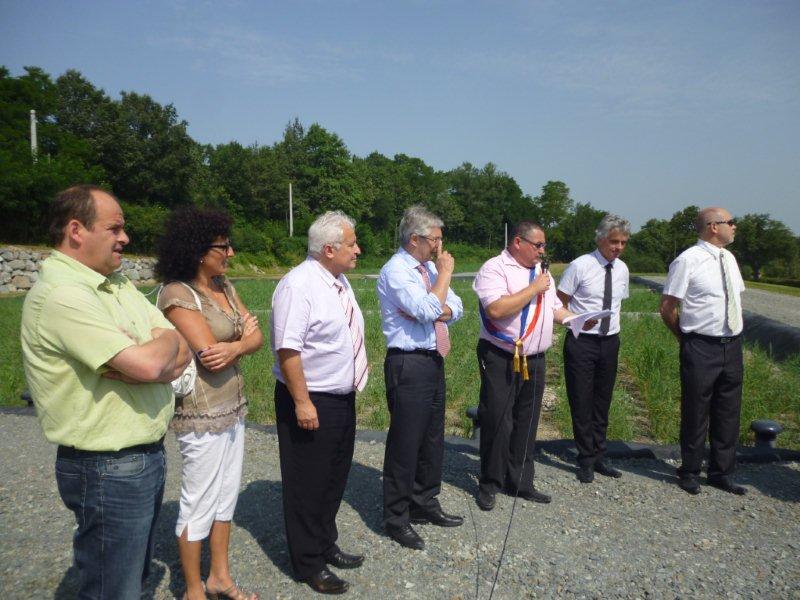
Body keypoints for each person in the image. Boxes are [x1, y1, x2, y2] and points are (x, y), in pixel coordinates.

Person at [20, 185, 192, 600]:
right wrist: (157, 355)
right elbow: (152, 365)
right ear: (76, 230)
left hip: (139, 458)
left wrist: (160, 347)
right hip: (105, 467)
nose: (125, 238)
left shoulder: (114, 284)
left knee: (130, 578)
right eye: (114, 228)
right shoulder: (64, 296)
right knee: (112, 588)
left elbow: (181, 347)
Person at [155, 207, 263, 600]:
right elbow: (208, 354)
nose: (230, 253)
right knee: (197, 500)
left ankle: (219, 576)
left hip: (233, 407)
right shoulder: (177, 294)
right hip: (200, 413)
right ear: (199, 251)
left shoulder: (224, 286)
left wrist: (236, 346)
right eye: (223, 246)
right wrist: (240, 342)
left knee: (225, 496)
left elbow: (256, 338)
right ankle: (192, 589)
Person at [270, 210, 367, 595]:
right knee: (307, 483)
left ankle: (326, 543)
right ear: (329, 249)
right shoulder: (299, 285)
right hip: (311, 399)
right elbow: (288, 350)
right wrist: (302, 402)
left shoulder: (338, 281)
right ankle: (308, 562)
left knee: (333, 477)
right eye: (352, 244)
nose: (358, 250)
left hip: (341, 397)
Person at [473, 222, 578, 511]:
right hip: (501, 356)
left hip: (535, 357)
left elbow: (553, 307)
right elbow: (496, 309)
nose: (542, 251)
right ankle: (490, 483)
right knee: (498, 420)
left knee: (527, 421)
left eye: (544, 246)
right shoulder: (495, 268)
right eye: (538, 245)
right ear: (518, 242)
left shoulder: (542, 273)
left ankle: (520, 481)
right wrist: (533, 288)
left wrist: (575, 320)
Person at [377, 205, 464, 550]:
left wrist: (439, 297)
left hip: (433, 358)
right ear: (415, 239)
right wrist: (444, 277)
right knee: (406, 441)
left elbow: (456, 308)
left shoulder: (428, 269)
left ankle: (424, 501)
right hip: (407, 362)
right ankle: (396, 517)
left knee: (431, 437)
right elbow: (428, 310)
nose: (440, 247)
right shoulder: (396, 271)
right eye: (435, 239)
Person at [660, 207, 747, 496]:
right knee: (696, 411)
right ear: (713, 226)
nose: (734, 226)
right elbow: (667, 307)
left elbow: (733, 299)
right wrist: (685, 339)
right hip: (700, 345)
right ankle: (690, 471)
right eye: (730, 222)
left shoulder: (729, 259)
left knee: (728, 412)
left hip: (731, 345)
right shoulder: (688, 260)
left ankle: (722, 472)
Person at [557, 214, 631, 483]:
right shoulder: (580, 266)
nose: (618, 247)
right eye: (614, 242)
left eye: (623, 243)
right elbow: (559, 301)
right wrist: (576, 319)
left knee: (602, 401)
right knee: (581, 400)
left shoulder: (622, 269)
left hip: (610, 341)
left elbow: (618, 302)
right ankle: (585, 458)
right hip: (582, 342)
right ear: (600, 239)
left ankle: (599, 455)